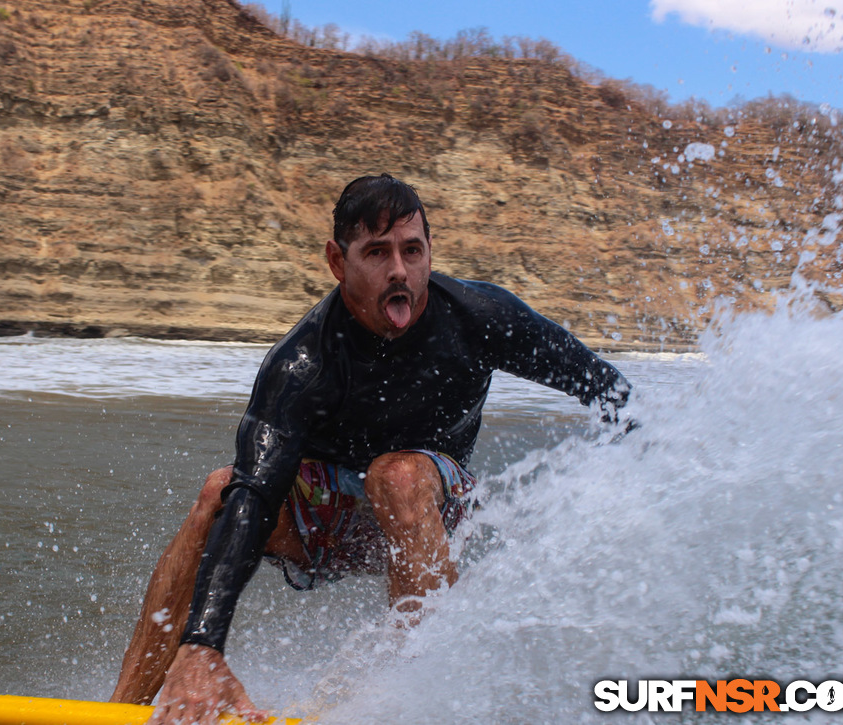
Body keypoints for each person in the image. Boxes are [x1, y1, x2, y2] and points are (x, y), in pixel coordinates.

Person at [110, 173, 632, 724]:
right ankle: (134, 707)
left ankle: (422, 704)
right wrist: (205, 644)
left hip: (425, 509)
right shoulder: (302, 365)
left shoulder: (481, 318)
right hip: (328, 525)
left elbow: (605, 387)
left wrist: (640, 471)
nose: (400, 271)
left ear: (431, 252)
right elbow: (256, 494)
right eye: (377, 253)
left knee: (397, 476)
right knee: (220, 492)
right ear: (338, 262)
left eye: (412, 250)